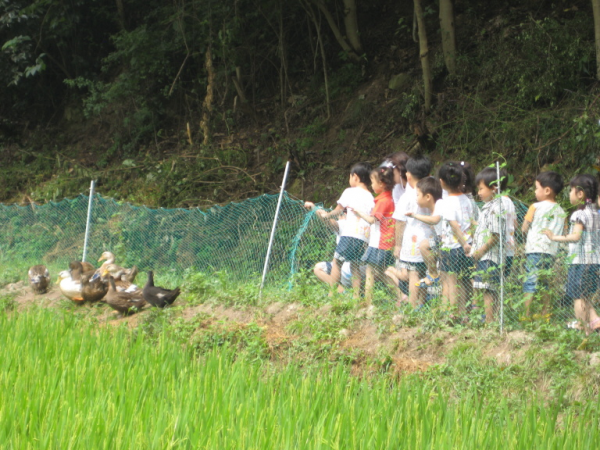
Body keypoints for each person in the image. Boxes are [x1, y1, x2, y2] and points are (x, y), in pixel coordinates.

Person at [542, 174, 600, 334]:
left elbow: (576, 236)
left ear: (580, 193)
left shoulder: (579, 214)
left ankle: (583, 329)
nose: (569, 194)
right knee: (586, 295)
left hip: (580, 261)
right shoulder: (596, 212)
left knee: (578, 297)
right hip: (595, 260)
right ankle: (594, 324)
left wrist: (555, 237)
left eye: (571, 191)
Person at [312, 162, 374, 298]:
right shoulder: (371, 197)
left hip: (350, 234)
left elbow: (338, 210)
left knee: (337, 262)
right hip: (364, 237)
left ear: (355, 177)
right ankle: (356, 297)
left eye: (350, 177)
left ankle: (331, 294)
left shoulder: (349, 192)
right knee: (355, 265)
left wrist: (326, 215)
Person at [385, 155, 432, 308]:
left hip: (413, 240)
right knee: (426, 272)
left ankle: (412, 307)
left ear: (408, 175)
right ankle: (421, 303)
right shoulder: (435, 193)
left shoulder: (408, 196)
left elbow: (399, 222)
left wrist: (397, 245)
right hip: (431, 239)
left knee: (413, 274)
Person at [521, 171, 566, 316]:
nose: (535, 191)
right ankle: (546, 313)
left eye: (536, 188)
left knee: (530, 281)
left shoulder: (535, 206)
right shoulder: (561, 211)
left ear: (547, 190)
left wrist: (526, 232)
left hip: (534, 249)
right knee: (544, 281)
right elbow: (565, 233)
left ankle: (526, 313)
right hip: (551, 251)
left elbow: (524, 227)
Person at [434, 161, 476, 314]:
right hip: (467, 248)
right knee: (464, 281)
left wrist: (463, 243)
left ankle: (451, 315)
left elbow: (454, 225)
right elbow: (471, 223)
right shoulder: (467, 200)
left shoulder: (448, 202)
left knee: (450, 282)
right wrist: (468, 243)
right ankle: (464, 313)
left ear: (442, 182)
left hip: (451, 247)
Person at [353, 163, 396, 304]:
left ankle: (368, 301)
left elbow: (372, 220)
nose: (371, 185)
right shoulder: (389, 199)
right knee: (381, 271)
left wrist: (359, 212)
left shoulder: (382, 201)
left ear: (382, 184)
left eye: (372, 182)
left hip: (379, 242)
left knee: (371, 271)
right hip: (385, 241)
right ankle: (400, 296)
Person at [470, 167, 507, 323]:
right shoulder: (487, 207)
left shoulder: (496, 208)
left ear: (493, 188)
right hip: (484, 256)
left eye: (481, 189)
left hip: (489, 257)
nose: (478, 192)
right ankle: (485, 319)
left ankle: (489, 322)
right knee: (483, 287)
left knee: (487, 290)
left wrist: (480, 251)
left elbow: (496, 236)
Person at [403, 176, 443, 291]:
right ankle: (434, 274)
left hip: (447, 241)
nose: (416, 198)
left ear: (428, 197)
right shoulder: (435, 207)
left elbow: (435, 220)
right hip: (443, 241)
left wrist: (414, 215)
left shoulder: (439, 204)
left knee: (424, 245)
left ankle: (434, 274)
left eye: (418, 195)